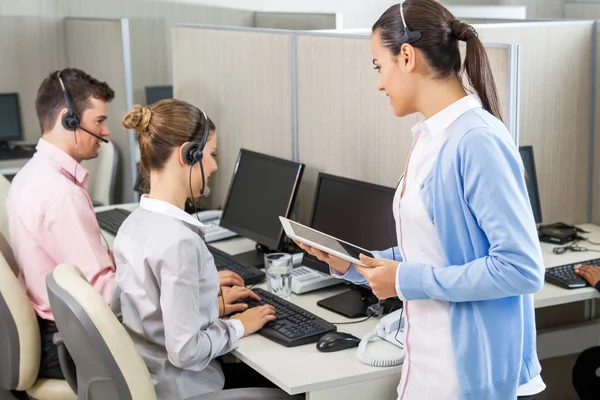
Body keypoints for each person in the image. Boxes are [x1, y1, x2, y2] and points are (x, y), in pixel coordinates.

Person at [297, 1, 546, 400]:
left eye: (379, 66)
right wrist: (357, 264)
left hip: (465, 374)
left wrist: (403, 279)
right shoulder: (430, 138)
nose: (379, 82)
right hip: (426, 362)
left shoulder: (476, 140)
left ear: (407, 56)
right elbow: (434, 249)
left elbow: (521, 268)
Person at [113, 100, 281, 399]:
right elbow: (186, 351)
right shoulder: (179, 242)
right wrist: (239, 327)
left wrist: (204, 300)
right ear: (188, 154)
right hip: (184, 387)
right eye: (212, 154)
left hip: (150, 377)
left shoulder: (131, 225)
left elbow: (148, 311)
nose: (215, 166)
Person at [6, 68, 116, 380]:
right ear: (69, 119)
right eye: (99, 121)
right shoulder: (61, 195)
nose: (106, 132)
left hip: (52, 331)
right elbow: (104, 296)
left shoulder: (30, 173)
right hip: (67, 345)